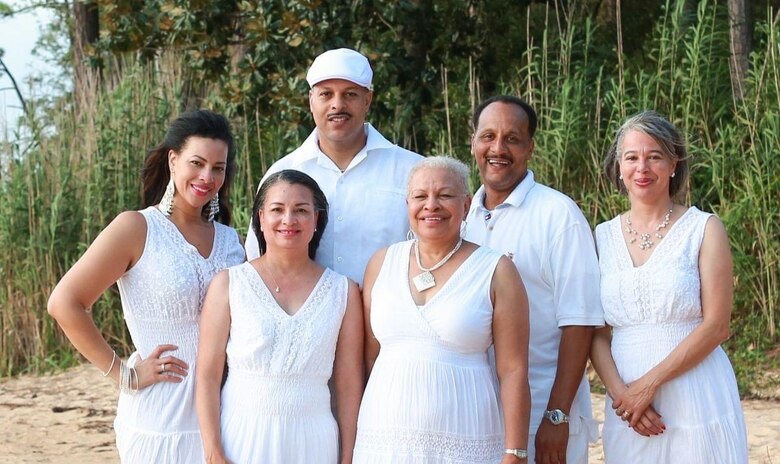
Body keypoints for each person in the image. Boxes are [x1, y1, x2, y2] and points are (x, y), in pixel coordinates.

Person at [47, 109, 245, 463]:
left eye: (218, 168)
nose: (207, 177)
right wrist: (123, 374)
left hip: (224, 412)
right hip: (161, 415)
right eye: (196, 163)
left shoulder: (232, 242)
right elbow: (65, 302)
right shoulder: (137, 229)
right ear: (173, 160)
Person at [589, 111, 748, 463]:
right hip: (628, 407)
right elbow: (596, 333)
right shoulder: (600, 237)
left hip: (695, 391)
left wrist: (648, 386)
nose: (642, 167)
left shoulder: (704, 228)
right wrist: (623, 397)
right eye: (631, 157)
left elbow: (717, 326)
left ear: (674, 163)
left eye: (655, 156)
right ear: (618, 167)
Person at [353, 156, 531, 463]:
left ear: (465, 205)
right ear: (408, 204)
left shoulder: (496, 270)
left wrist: (515, 452)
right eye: (420, 196)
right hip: (384, 436)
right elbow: (369, 355)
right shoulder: (381, 263)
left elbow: (513, 369)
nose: (431, 205)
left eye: (445, 195)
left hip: (466, 431)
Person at [463, 96, 604, 464]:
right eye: (488, 136)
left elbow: (580, 322)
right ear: (473, 142)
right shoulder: (460, 216)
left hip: (541, 410)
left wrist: (556, 415)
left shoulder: (558, 215)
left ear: (529, 147)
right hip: (476, 413)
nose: (498, 148)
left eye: (512, 138)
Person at [196, 169, 364, 464]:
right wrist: (213, 450)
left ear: (317, 220)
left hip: (313, 440)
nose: (288, 220)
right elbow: (208, 375)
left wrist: (349, 454)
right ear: (261, 218)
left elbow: (348, 383)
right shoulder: (229, 284)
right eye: (277, 210)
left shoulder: (344, 292)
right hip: (242, 436)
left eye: (301, 210)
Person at [245, 47, 423, 286]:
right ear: (311, 101)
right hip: (307, 318)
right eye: (326, 94)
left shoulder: (411, 170)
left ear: (368, 100)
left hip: (386, 320)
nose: (337, 105)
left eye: (350, 94)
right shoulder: (282, 174)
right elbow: (258, 257)